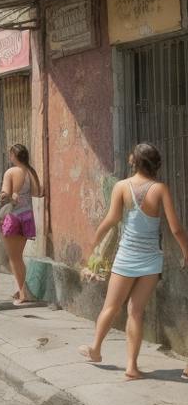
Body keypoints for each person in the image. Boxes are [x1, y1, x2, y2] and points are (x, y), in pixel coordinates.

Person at [79, 143, 188, 380]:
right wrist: (186, 251)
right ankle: (131, 367)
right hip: (151, 260)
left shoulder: (121, 187)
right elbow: (176, 228)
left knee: (110, 307)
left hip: (126, 257)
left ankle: (95, 349)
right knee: (136, 312)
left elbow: (111, 219)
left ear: (134, 162)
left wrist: (93, 245)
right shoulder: (160, 189)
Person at [0, 144, 43, 306]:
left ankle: (24, 293)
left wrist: (1, 197)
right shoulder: (31, 172)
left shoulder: (11, 172)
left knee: (14, 258)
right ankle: (22, 289)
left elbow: (5, 194)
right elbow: (38, 193)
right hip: (28, 216)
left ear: (13, 156)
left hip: (13, 217)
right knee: (18, 257)